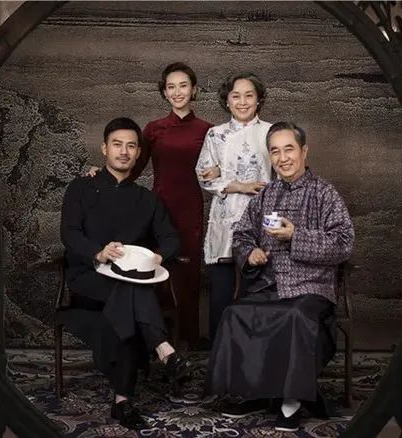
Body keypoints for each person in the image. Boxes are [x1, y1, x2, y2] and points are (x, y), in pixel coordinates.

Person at [204, 122, 354, 432]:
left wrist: (296, 236)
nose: (283, 158)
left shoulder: (325, 193)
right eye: (275, 151)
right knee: (235, 314)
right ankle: (256, 392)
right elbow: (242, 234)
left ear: (304, 151)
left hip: (311, 287)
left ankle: (291, 400)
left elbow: (343, 243)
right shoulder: (266, 194)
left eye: (289, 149)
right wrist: (250, 253)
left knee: (295, 316)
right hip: (269, 284)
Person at [59, 117, 191, 430]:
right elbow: (69, 233)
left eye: (131, 146)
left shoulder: (147, 199)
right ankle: (164, 349)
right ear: (104, 148)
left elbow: (171, 238)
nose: (124, 151)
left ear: (138, 153)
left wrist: (158, 255)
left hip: (127, 285)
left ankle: (122, 402)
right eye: (117, 144)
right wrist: (98, 252)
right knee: (133, 291)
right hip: (89, 280)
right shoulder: (81, 187)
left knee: (128, 294)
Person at [89, 63, 212, 345]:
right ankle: (155, 339)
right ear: (164, 92)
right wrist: (101, 175)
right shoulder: (154, 129)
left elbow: (219, 170)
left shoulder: (208, 131)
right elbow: (131, 167)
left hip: (190, 209)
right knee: (151, 268)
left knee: (188, 273)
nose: (177, 92)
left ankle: (188, 340)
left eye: (183, 86)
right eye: (171, 87)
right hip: (156, 208)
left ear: (194, 90)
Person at [195, 72, 272, 340]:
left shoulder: (271, 132)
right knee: (222, 290)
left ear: (258, 100)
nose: (242, 102)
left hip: (261, 220)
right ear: (226, 100)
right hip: (225, 219)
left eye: (249, 95)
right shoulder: (215, 134)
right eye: (235, 96)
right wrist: (239, 185)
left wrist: (224, 172)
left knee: (257, 288)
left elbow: (283, 172)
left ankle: (254, 348)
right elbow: (203, 175)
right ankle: (220, 348)